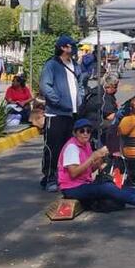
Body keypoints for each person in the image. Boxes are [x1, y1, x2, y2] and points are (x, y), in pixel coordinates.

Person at [59, 119, 135, 210]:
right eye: (82, 131)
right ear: (75, 133)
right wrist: (92, 158)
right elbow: (73, 173)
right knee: (106, 188)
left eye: (88, 131)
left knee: (113, 185)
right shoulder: (72, 148)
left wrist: (100, 159)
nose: (85, 133)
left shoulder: (85, 145)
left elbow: (88, 170)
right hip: (72, 188)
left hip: (84, 183)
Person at [40, 35, 83, 192]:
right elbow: (45, 86)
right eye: (71, 46)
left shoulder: (74, 65)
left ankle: (63, 177)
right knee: (53, 147)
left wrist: (80, 99)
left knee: (68, 147)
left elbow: (80, 83)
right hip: (55, 114)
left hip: (71, 114)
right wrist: (58, 101)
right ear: (63, 48)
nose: (73, 49)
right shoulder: (51, 65)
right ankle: (50, 177)